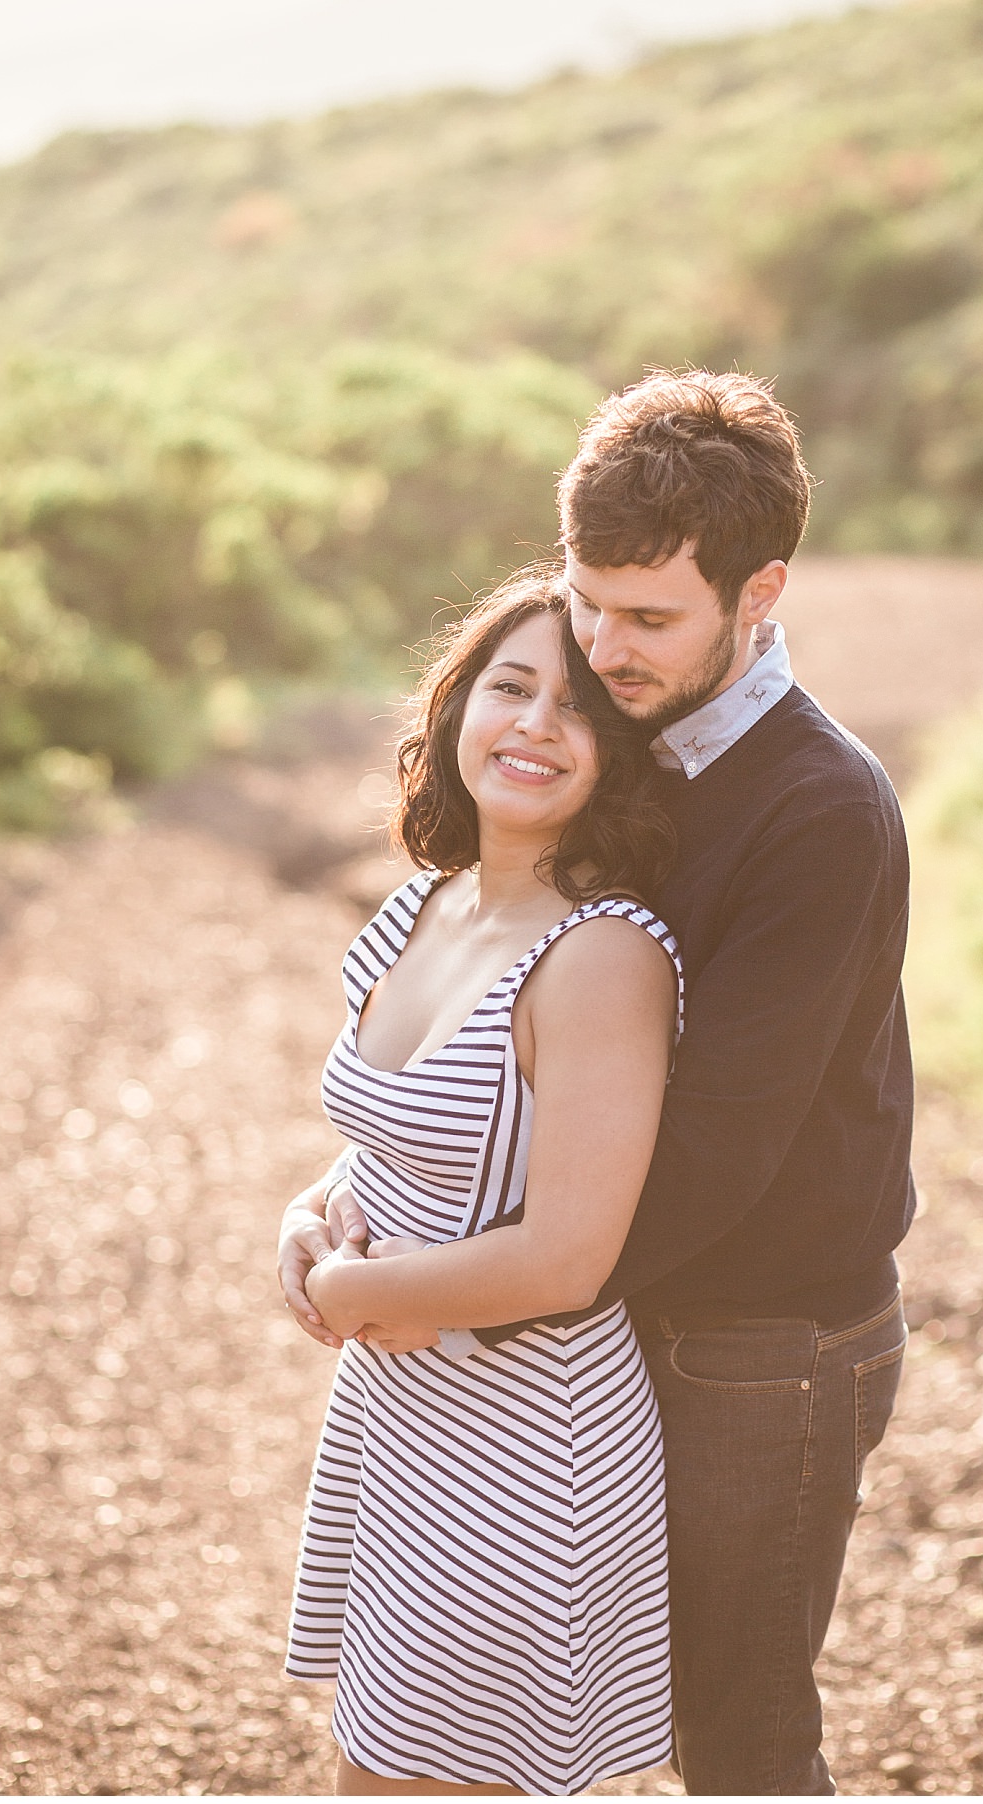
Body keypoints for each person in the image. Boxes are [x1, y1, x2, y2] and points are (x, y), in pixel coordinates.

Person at [283, 369, 916, 1795]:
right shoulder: (629, 723)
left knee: (737, 1740)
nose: (605, 649)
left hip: (763, 1337)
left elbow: (704, 1159)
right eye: (586, 602)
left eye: (649, 619)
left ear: (762, 594)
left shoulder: (820, 810)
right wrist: (350, 1194)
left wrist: (424, 1285)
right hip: (598, 1327)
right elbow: (497, 1046)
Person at [280, 568, 684, 1797]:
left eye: (578, 712)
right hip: (403, 1426)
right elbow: (399, 1136)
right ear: (457, 707)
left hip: (523, 1450)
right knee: (372, 1766)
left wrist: (349, 1296)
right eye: (510, 687)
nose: (533, 725)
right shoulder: (418, 906)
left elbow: (571, 1252)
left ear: (616, 760)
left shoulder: (601, 954)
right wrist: (307, 1213)